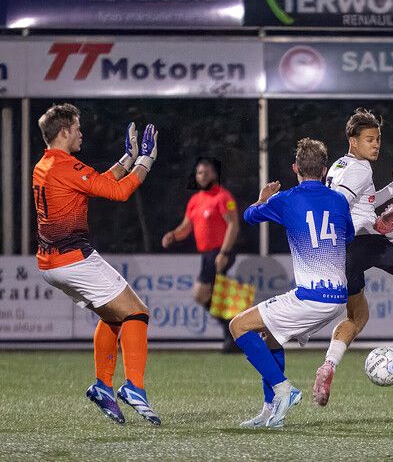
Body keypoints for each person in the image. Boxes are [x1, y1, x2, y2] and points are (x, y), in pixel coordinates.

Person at [33, 103, 161, 425]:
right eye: (77, 128)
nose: (81, 133)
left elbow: (96, 182)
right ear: (64, 132)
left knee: (113, 316)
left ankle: (103, 386)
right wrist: (146, 161)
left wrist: (127, 158)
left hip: (51, 264)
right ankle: (134, 387)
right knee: (137, 312)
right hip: (74, 258)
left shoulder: (46, 165)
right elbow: (117, 192)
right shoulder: (65, 167)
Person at [313, 108, 393, 406]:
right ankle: (391, 232)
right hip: (363, 241)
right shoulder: (361, 169)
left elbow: (364, 200)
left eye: (378, 139)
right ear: (353, 141)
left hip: (340, 254)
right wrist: (356, 228)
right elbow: (340, 205)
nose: (376, 144)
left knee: (358, 316)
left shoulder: (339, 165)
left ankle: (329, 365)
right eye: (369, 139)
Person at [230, 138, 354, 429]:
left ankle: (284, 389)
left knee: (238, 326)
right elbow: (347, 237)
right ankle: (270, 411)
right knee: (271, 338)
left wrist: (262, 199)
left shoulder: (285, 199)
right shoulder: (338, 200)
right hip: (338, 299)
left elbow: (248, 216)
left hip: (311, 297)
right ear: (324, 171)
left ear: (295, 168)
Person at [161, 157, 240, 351]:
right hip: (207, 255)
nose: (201, 176)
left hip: (220, 252)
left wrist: (224, 252)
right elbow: (186, 227)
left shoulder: (223, 197)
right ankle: (234, 334)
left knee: (202, 293)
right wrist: (173, 235)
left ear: (213, 174)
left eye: (205, 172)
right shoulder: (195, 200)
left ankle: (235, 333)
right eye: (198, 173)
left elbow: (233, 224)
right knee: (213, 295)